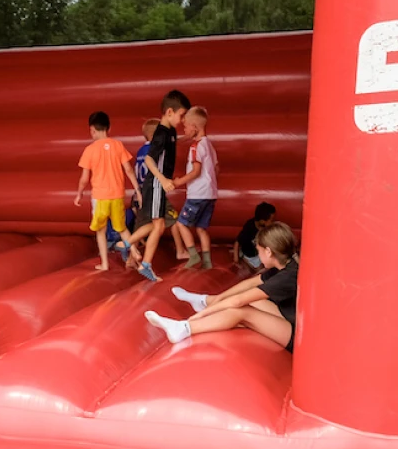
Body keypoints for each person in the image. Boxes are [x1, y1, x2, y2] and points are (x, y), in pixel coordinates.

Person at [146, 221, 300, 352]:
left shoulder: (287, 276)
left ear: (268, 251)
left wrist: (201, 315)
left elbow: (238, 302)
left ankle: (185, 328)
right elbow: (251, 283)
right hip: (289, 317)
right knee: (252, 301)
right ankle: (204, 301)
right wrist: (219, 298)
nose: (258, 256)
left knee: (241, 311)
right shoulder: (286, 265)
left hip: (295, 335)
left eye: (259, 251)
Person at [123, 89, 191, 282]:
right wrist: (162, 179)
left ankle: (129, 247)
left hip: (158, 185)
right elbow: (150, 160)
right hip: (155, 185)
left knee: (158, 226)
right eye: (182, 115)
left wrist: (187, 137)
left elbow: (171, 143)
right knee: (158, 225)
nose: (183, 119)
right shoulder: (161, 133)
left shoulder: (169, 132)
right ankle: (143, 262)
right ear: (169, 112)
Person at [74, 111, 142, 271]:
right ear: (108, 128)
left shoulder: (89, 150)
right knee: (122, 228)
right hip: (117, 194)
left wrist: (79, 194)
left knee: (100, 230)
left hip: (100, 197)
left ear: (92, 130)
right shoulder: (118, 145)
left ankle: (104, 264)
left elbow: (84, 178)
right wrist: (137, 189)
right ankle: (134, 250)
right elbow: (129, 170)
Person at [172, 106, 218, 270]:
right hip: (210, 194)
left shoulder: (196, 147)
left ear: (194, 127)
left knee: (181, 224)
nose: (184, 130)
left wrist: (178, 182)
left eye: (185, 127)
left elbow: (196, 172)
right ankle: (207, 261)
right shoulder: (209, 145)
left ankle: (193, 255)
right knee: (201, 228)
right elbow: (216, 168)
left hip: (197, 194)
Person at [234, 202, 277, 271]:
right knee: (259, 270)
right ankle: (243, 258)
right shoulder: (249, 227)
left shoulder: (267, 228)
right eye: (271, 220)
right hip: (249, 255)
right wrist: (236, 259)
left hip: (260, 253)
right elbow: (237, 242)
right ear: (262, 221)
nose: (272, 222)